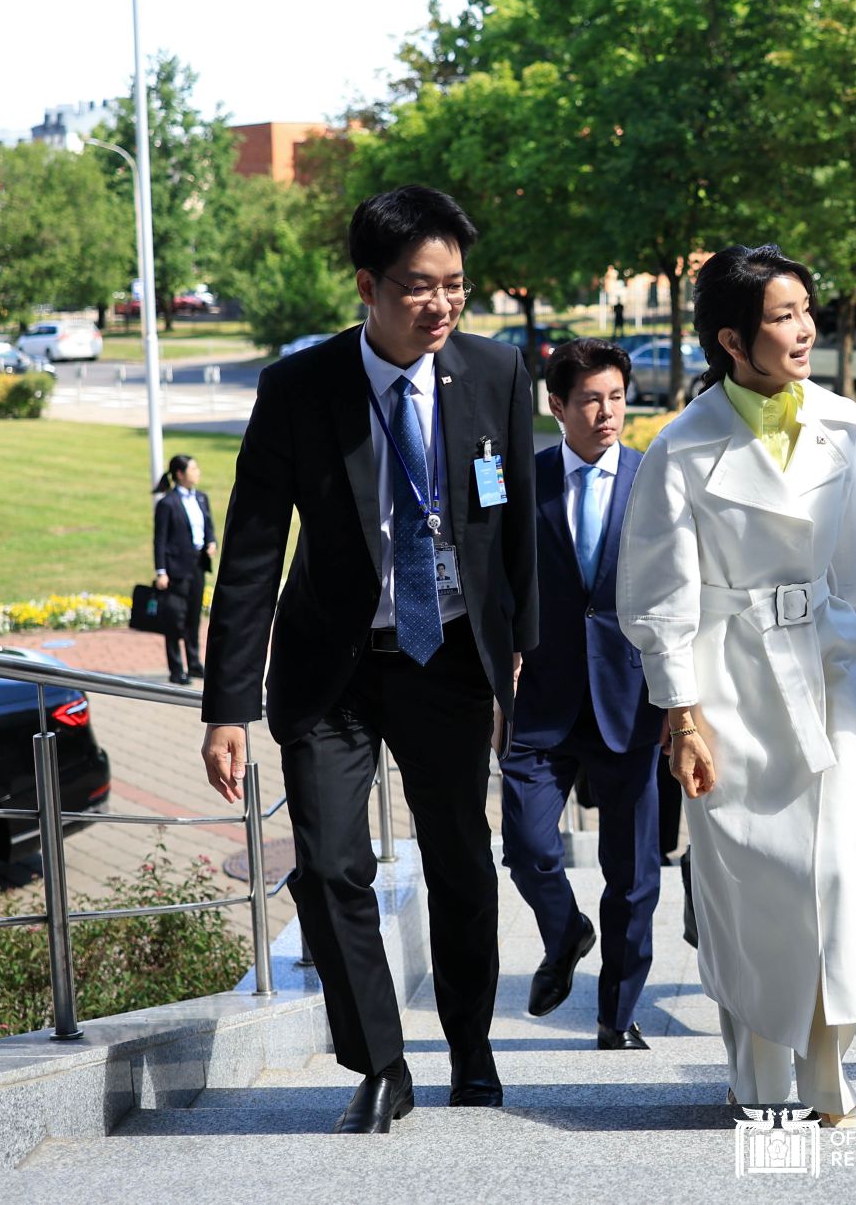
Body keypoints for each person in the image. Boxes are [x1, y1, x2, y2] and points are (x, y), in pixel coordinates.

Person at [199, 185, 539, 1133]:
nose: (441, 307)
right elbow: (254, 550)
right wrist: (227, 704)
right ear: (367, 286)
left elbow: (514, 537)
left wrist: (522, 654)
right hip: (333, 665)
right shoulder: (300, 390)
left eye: (456, 288)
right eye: (419, 288)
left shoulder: (496, 374)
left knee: (461, 863)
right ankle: (382, 1062)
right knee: (331, 865)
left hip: (451, 661)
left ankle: (471, 1043)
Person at [617, 244, 856, 1129]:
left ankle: (830, 1083)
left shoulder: (844, 424)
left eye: (807, 309)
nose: (804, 329)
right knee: (749, 887)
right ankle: (760, 1082)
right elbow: (656, 594)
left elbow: (855, 562)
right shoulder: (681, 448)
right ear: (732, 338)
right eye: (782, 316)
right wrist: (680, 713)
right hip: (726, 682)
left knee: (840, 873)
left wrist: (851, 644)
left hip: (827, 669)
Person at [501, 338, 661, 1052]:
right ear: (557, 405)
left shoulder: (655, 481)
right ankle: (564, 930)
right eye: (591, 399)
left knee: (634, 876)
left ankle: (616, 1016)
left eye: (617, 397)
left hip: (633, 699)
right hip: (545, 698)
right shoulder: (519, 482)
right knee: (529, 845)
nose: (607, 413)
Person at [150, 453, 215, 686]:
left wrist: (211, 542)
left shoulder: (201, 498)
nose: (197, 472)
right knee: (174, 621)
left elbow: (208, 526)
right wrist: (161, 571)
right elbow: (160, 540)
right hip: (176, 570)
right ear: (180, 474)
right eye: (193, 469)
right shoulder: (167, 503)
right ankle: (176, 669)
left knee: (193, 618)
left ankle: (195, 663)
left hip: (197, 567)